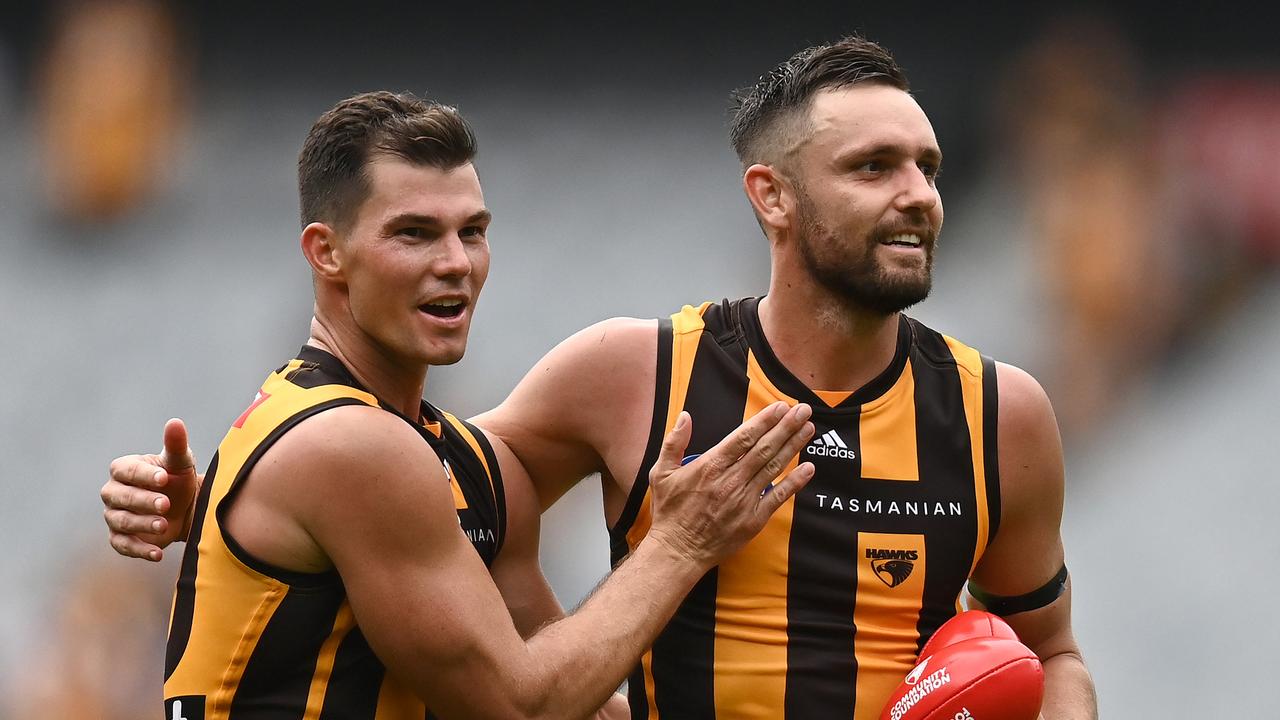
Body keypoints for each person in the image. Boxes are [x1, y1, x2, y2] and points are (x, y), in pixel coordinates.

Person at [103, 37, 1098, 719]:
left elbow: (1049, 653)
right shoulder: (632, 373)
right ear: (773, 198)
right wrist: (247, 501)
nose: (918, 194)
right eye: (874, 166)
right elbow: (425, 515)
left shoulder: (996, 414)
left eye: (925, 165)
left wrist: (238, 499)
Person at [106, 90, 816, 719]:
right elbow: (521, 706)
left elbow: (576, 702)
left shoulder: (470, 465)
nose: (456, 262)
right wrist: (681, 542)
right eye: (414, 233)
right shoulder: (350, 447)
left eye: (471, 232)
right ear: (326, 253)